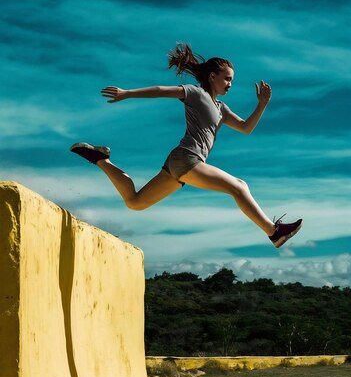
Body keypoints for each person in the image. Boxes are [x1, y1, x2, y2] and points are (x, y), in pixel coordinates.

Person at [70, 43, 302, 247]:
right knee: (239, 186)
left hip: (181, 165)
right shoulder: (195, 93)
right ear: (212, 76)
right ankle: (274, 232)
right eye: (227, 78)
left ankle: (100, 159)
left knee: (135, 202)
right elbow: (162, 90)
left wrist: (262, 104)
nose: (230, 83)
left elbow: (246, 128)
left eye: (232, 79)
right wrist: (127, 93)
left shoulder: (221, 109)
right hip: (187, 158)